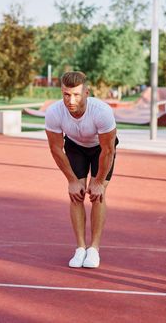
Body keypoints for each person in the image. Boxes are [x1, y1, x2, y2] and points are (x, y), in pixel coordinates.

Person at [45, 71, 118, 268]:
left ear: (86, 92)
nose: (71, 100)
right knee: (76, 194)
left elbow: (108, 150)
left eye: (76, 94)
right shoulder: (54, 112)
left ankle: (94, 249)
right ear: (62, 92)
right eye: (66, 94)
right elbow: (55, 148)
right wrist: (71, 180)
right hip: (75, 146)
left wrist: (99, 181)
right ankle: (80, 248)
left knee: (97, 195)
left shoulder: (101, 111)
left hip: (100, 149)